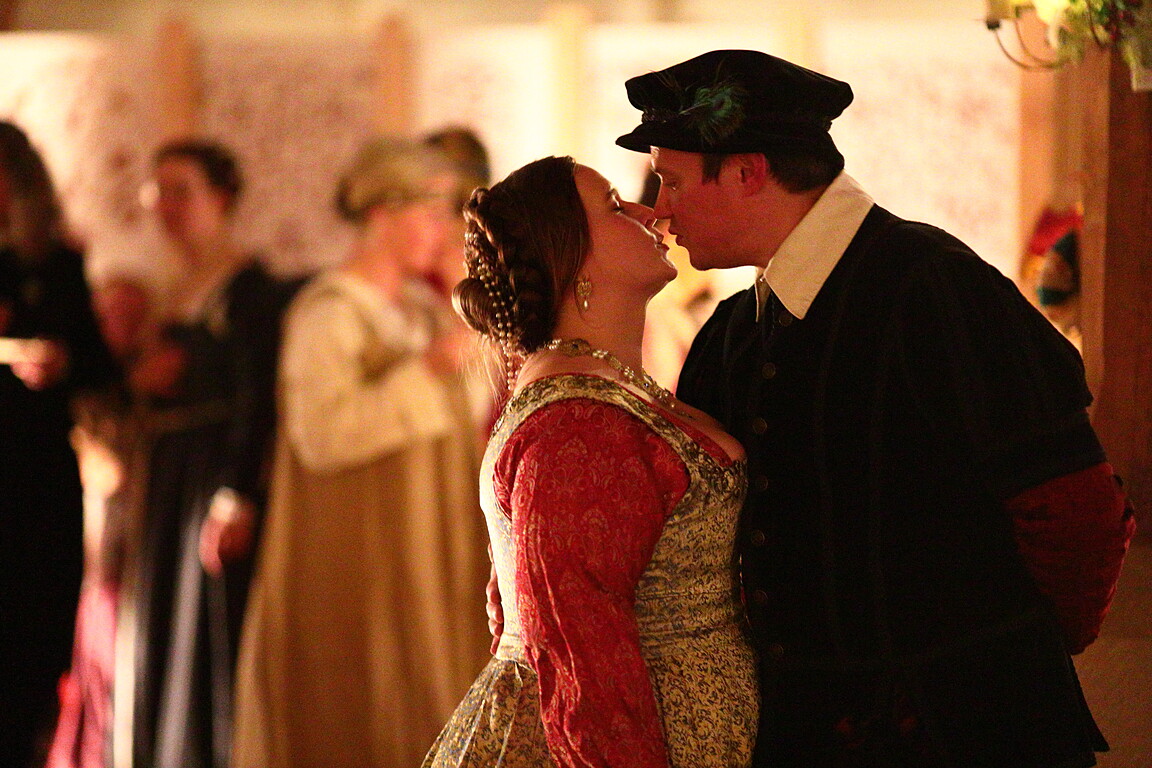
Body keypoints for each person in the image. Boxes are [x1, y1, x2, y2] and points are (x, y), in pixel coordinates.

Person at [611, 49, 1137, 768]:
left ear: (748, 171)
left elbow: (1081, 518)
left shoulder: (937, 289)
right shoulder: (730, 336)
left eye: (672, 181)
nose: (659, 207)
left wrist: (996, 661)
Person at [423, 155, 759, 768]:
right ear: (572, 260)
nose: (648, 212)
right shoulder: (575, 423)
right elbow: (578, 646)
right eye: (613, 207)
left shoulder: (602, 390)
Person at [231, 137, 490, 768]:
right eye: (430, 211)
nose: (442, 229)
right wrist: (426, 371)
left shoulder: (424, 309)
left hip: (421, 540)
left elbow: (471, 406)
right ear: (381, 215)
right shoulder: (327, 314)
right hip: (357, 553)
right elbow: (320, 435)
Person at [130, 140, 302, 768]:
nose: (167, 206)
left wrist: (235, 494)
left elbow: (259, 398)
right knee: (163, 621)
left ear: (221, 197)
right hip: (168, 476)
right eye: (159, 192)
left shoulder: (248, 288)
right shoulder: (172, 287)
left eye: (183, 191)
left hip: (211, 475)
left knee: (203, 627)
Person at [0, 120, 119, 768]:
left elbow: (100, 367)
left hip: (36, 473)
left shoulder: (57, 264)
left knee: (36, 635)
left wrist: (64, 361)